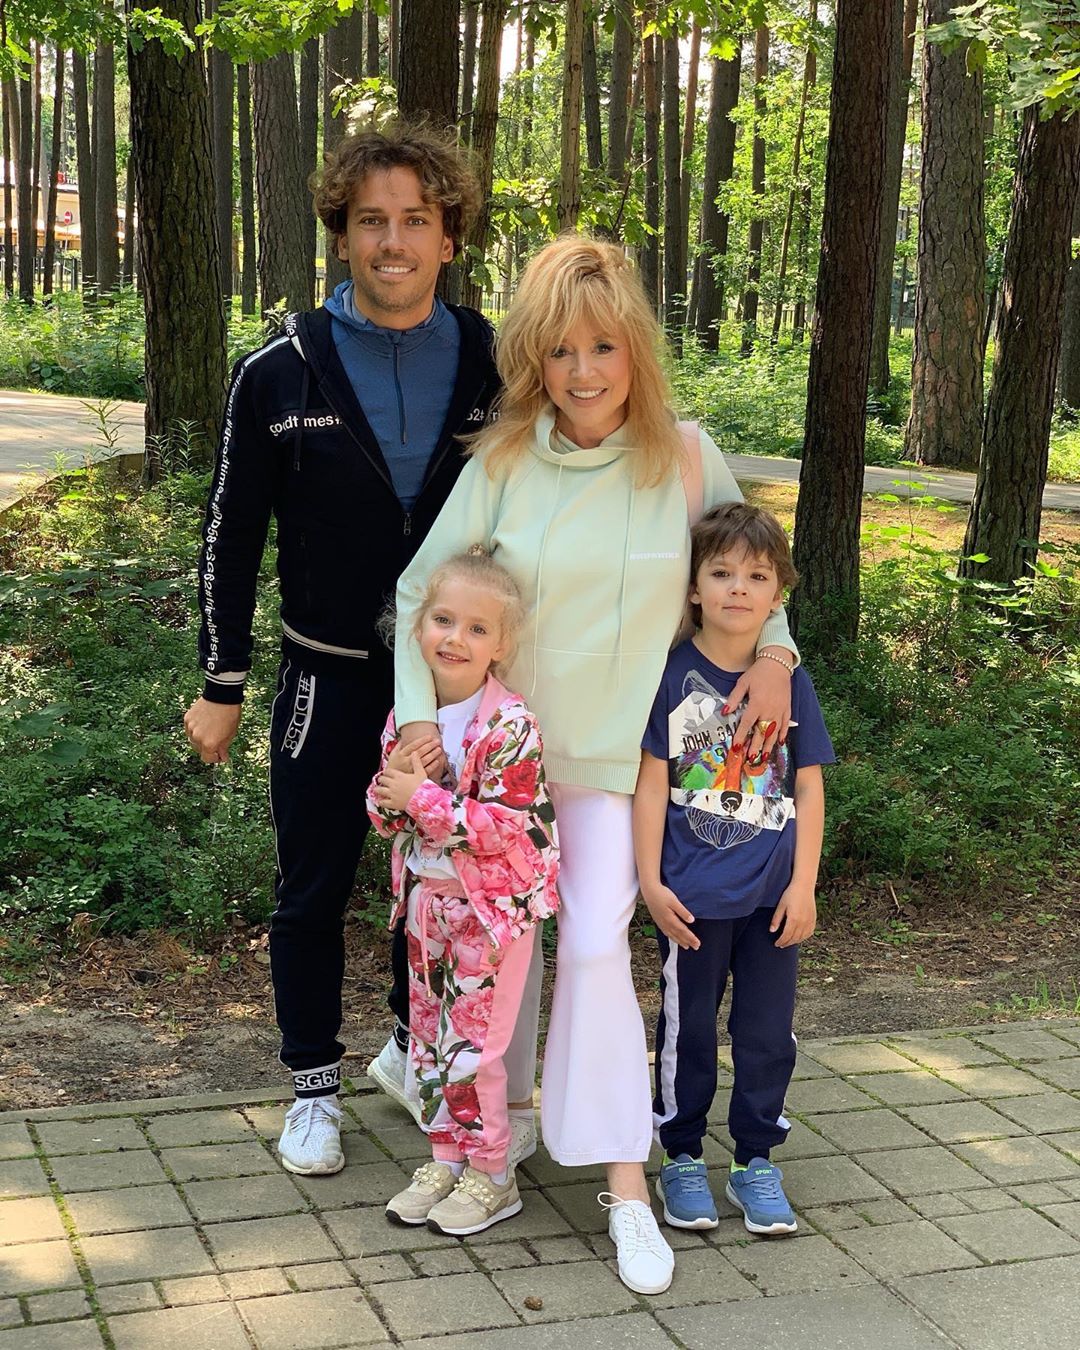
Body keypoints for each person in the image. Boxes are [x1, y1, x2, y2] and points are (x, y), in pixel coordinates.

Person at [391, 236, 798, 1294]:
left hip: (628, 767)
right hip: (507, 769)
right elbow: (419, 591)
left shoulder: (684, 456)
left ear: (636, 351)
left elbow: (747, 574)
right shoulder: (504, 461)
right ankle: (498, 1139)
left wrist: (777, 655)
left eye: (604, 347)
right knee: (498, 959)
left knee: (593, 952)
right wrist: (419, 721)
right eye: (561, 349)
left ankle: (625, 1188)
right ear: (534, 356)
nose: (583, 372)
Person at [182, 122, 508, 1177]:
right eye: (372, 221)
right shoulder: (278, 372)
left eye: (416, 220)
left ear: (449, 236)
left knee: (442, 886)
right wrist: (222, 681)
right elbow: (231, 533)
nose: (393, 242)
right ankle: (312, 1089)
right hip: (328, 678)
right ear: (342, 235)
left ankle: (414, 1053)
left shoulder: (501, 362)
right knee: (314, 886)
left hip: (458, 691)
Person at [634, 502, 833, 1237]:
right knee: (687, 1033)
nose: (739, 588)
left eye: (757, 576)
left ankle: (755, 1160)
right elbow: (650, 785)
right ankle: (682, 1156)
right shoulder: (669, 676)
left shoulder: (789, 684)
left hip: (773, 900)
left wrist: (805, 885)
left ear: (777, 594)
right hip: (692, 899)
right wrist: (650, 882)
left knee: (766, 1035)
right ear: (694, 588)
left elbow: (808, 787)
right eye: (721, 573)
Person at [366, 549, 559, 1235]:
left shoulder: (511, 727)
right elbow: (386, 812)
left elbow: (507, 828)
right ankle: (446, 1159)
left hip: (490, 914)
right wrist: (393, 796)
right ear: (417, 628)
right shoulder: (408, 718)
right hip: (427, 906)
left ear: (501, 645)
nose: (455, 638)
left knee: (475, 1050)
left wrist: (420, 797)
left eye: (477, 628)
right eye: (443, 620)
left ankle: (494, 1173)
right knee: (428, 1038)